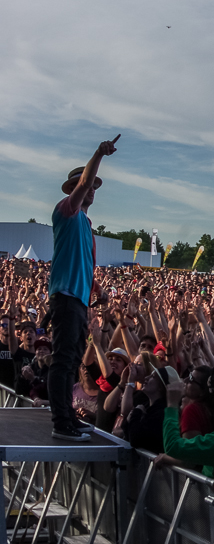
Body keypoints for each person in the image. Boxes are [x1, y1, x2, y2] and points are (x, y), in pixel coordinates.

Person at [46, 135, 119, 440]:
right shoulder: (66, 209)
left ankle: (68, 419)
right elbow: (86, 178)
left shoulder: (86, 224)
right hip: (65, 297)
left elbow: (82, 264)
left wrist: (97, 289)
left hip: (78, 300)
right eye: (86, 185)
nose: (90, 190)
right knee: (63, 361)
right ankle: (61, 421)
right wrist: (99, 153)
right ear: (77, 188)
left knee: (72, 360)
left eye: (92, 188)